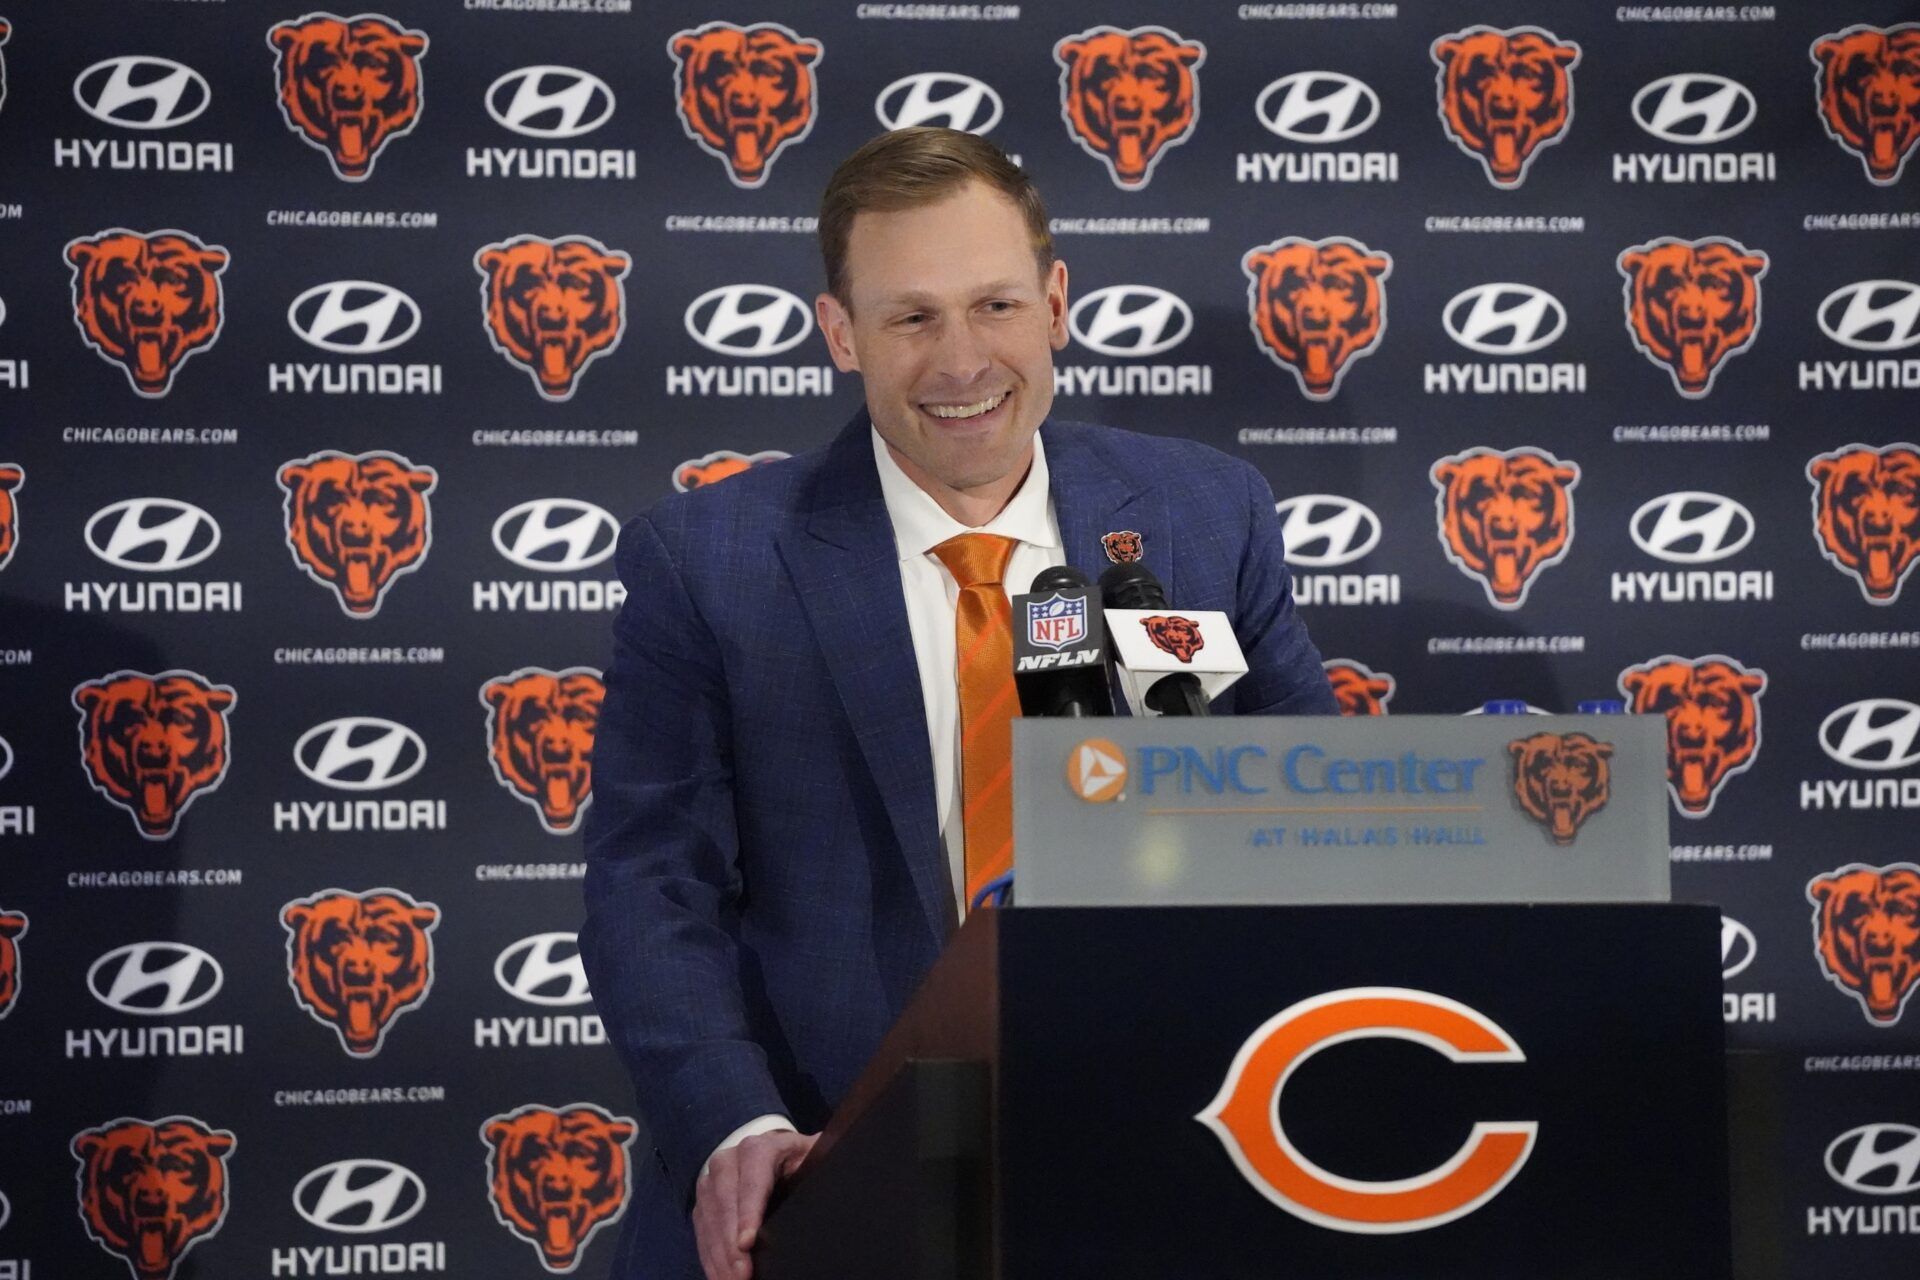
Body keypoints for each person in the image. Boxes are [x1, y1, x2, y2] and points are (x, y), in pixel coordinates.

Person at [580, 126, 1336, 1280]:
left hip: (1162, 1154)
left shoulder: (1203, 516)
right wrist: (738, 1126)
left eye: (993, 305)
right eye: (911, 316)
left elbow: (1314, 804)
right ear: (841, 333)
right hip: (832, 1174)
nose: (962, 360)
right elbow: (651, 880)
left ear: (1056, 304)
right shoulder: (711, 560)